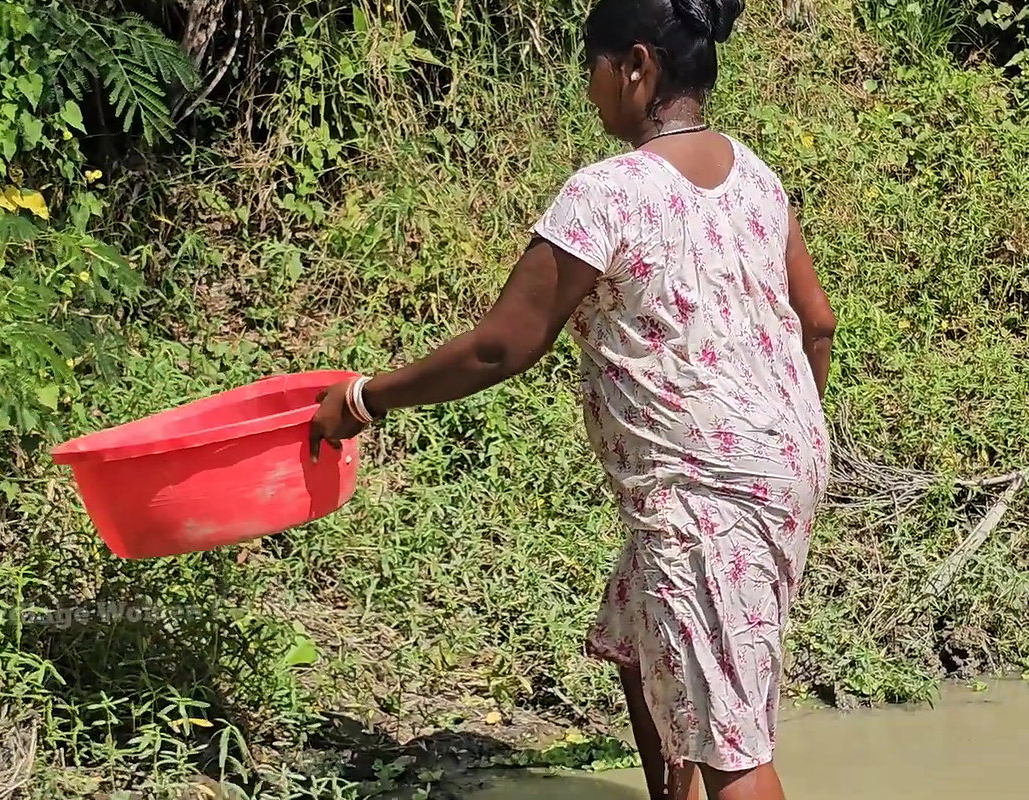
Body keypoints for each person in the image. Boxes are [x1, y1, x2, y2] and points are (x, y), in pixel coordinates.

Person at [307, 0, 835, 796]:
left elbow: (502, 345)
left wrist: (363, 397)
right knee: (637, 638)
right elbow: (818, 322)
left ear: (636, 66)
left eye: (591, 65)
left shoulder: (609, 194)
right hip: (774, 468)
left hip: (705, 493)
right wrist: (782, 441)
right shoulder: (756, 173)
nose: (586, 86)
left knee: (734, 745)